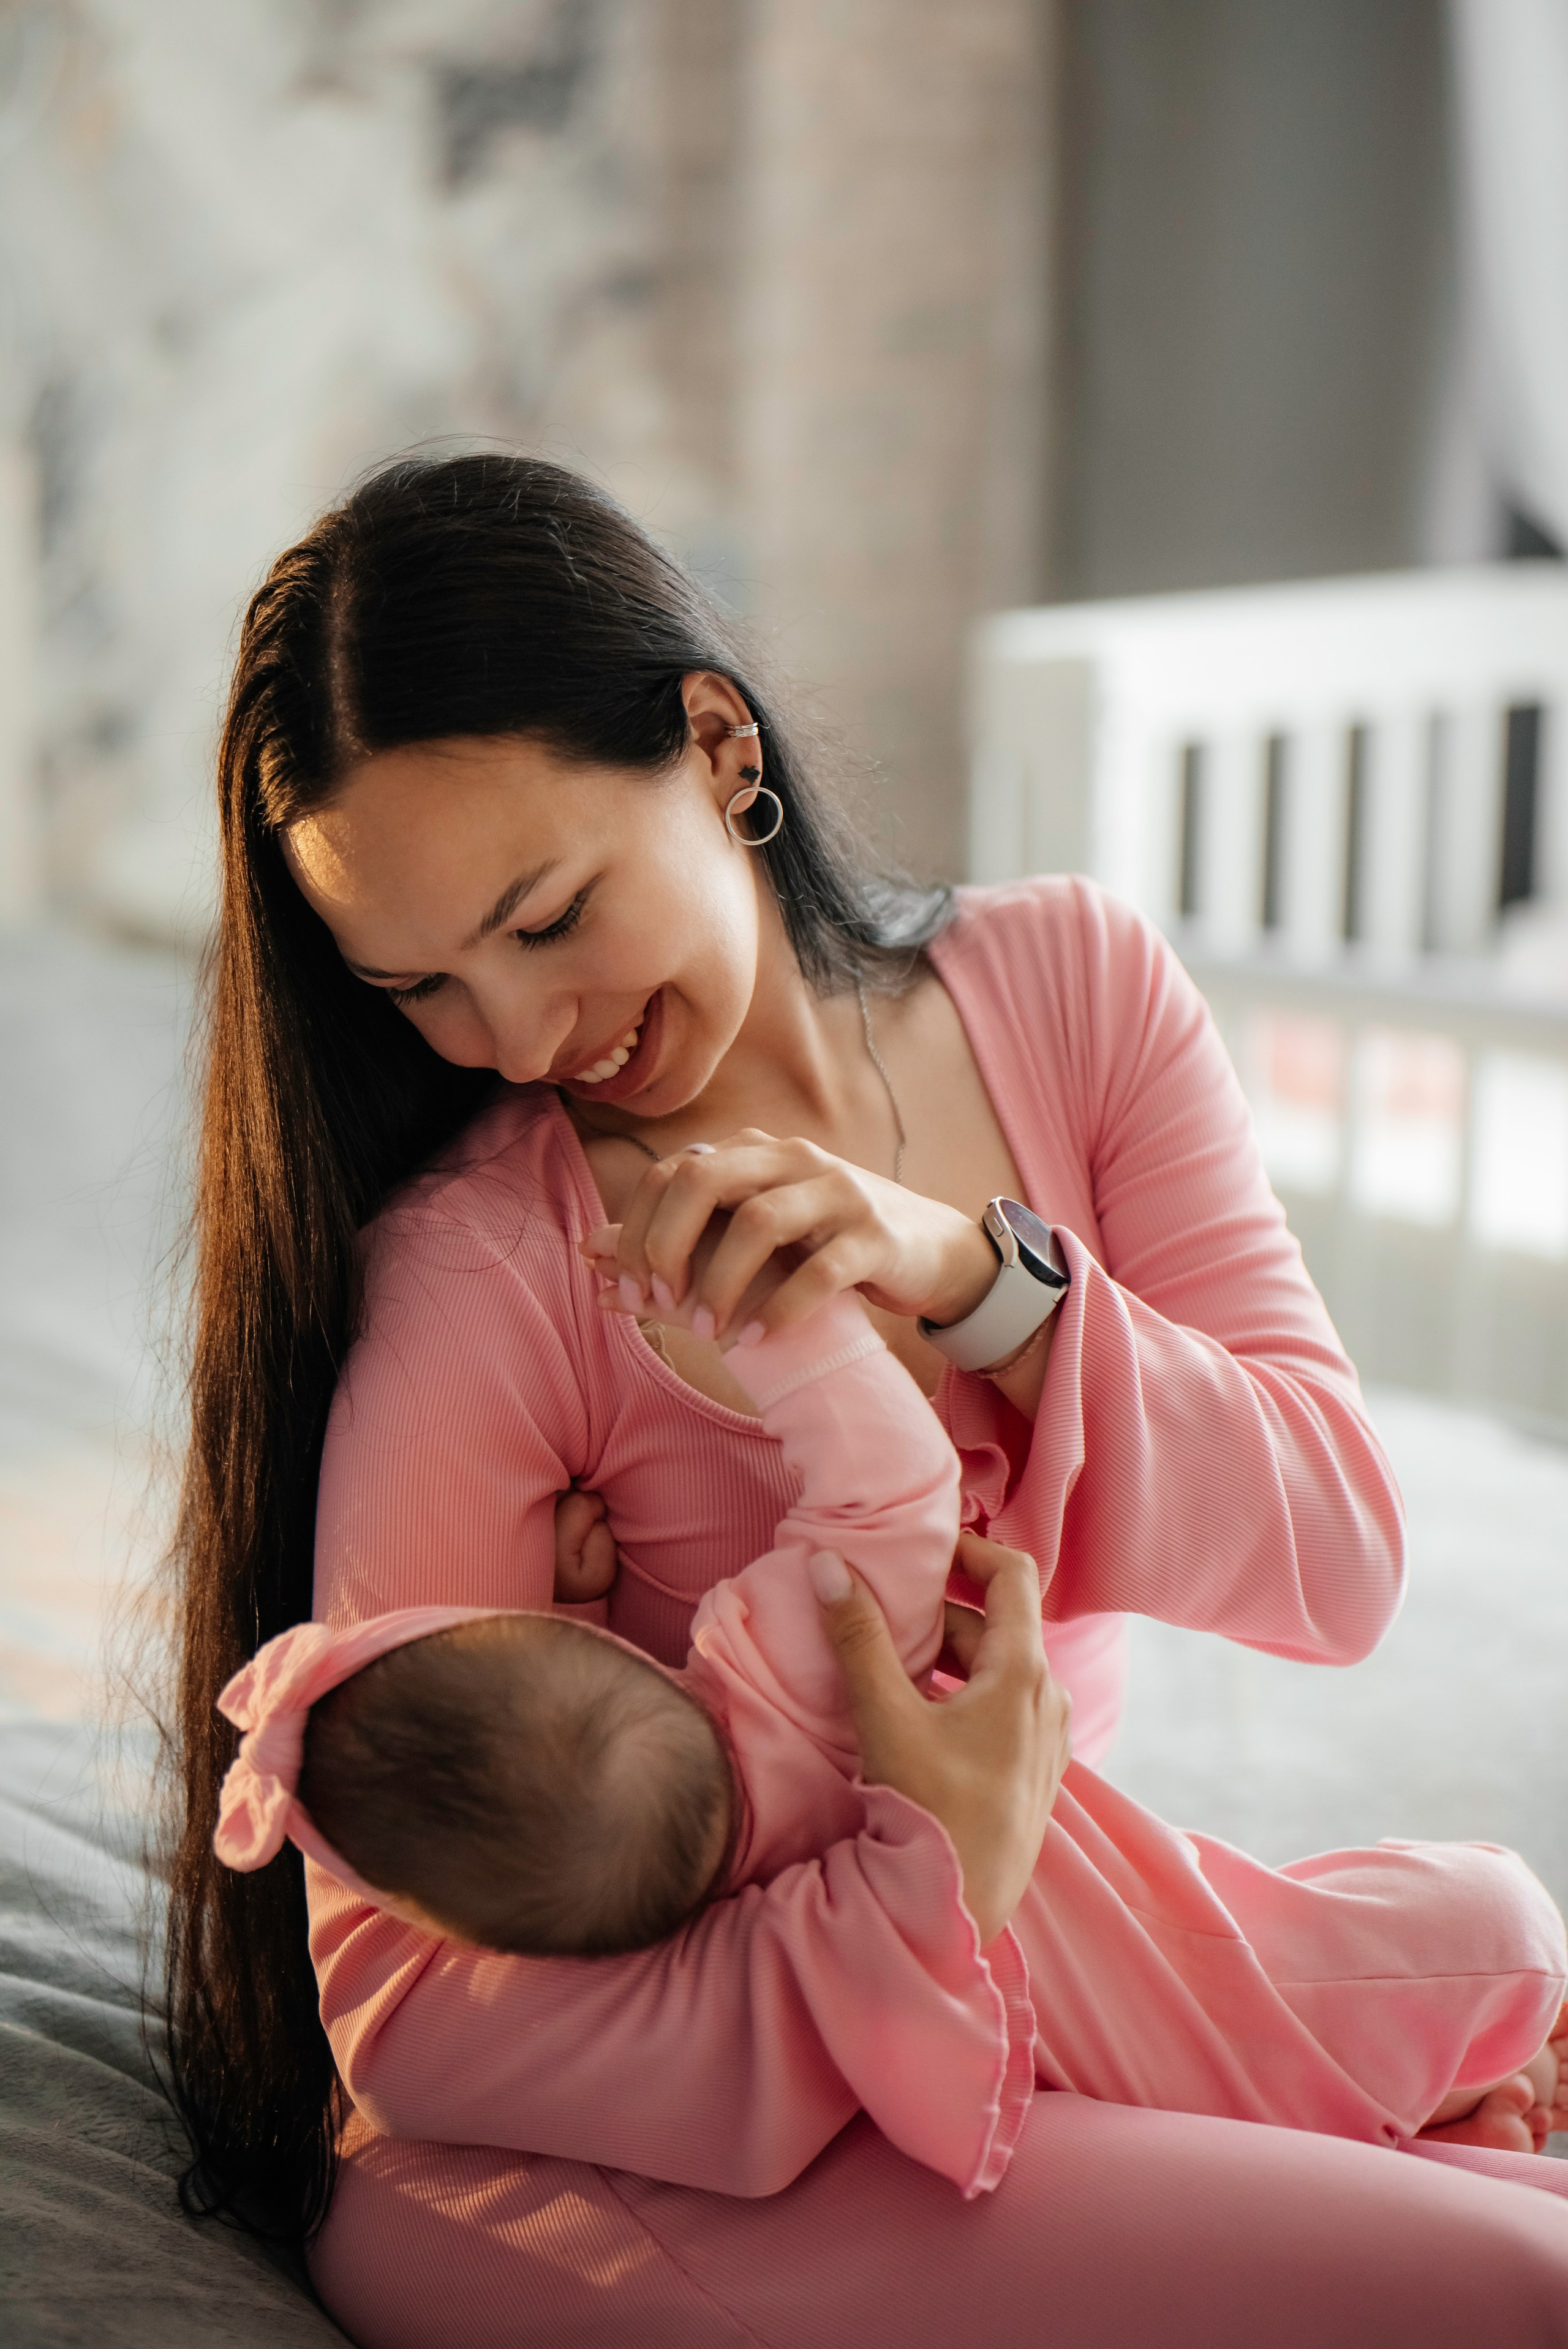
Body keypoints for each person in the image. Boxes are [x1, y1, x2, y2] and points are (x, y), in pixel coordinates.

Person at [167, 451, 1568, 2348]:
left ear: (717, 742)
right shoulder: (497, 1266)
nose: (516, 1036)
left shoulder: (1075, 988)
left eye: (551, 911)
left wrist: (979, 1280)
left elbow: (1334, 1557)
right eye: (422, 984)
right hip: (622, 2156)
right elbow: (410, 2015)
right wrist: (920, 1897)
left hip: (1019, 1999)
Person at [209, 1267, 1567, 2173]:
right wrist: (756, 1310)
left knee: (1285, 2040)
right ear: (589, 1631)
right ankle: (1471, 2056)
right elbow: (893, 1480)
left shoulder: (766, 1973)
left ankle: (1441, 2112)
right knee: (1481, 1926)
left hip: (1107, 2105)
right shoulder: (787, 1672)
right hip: (1243, 1994)